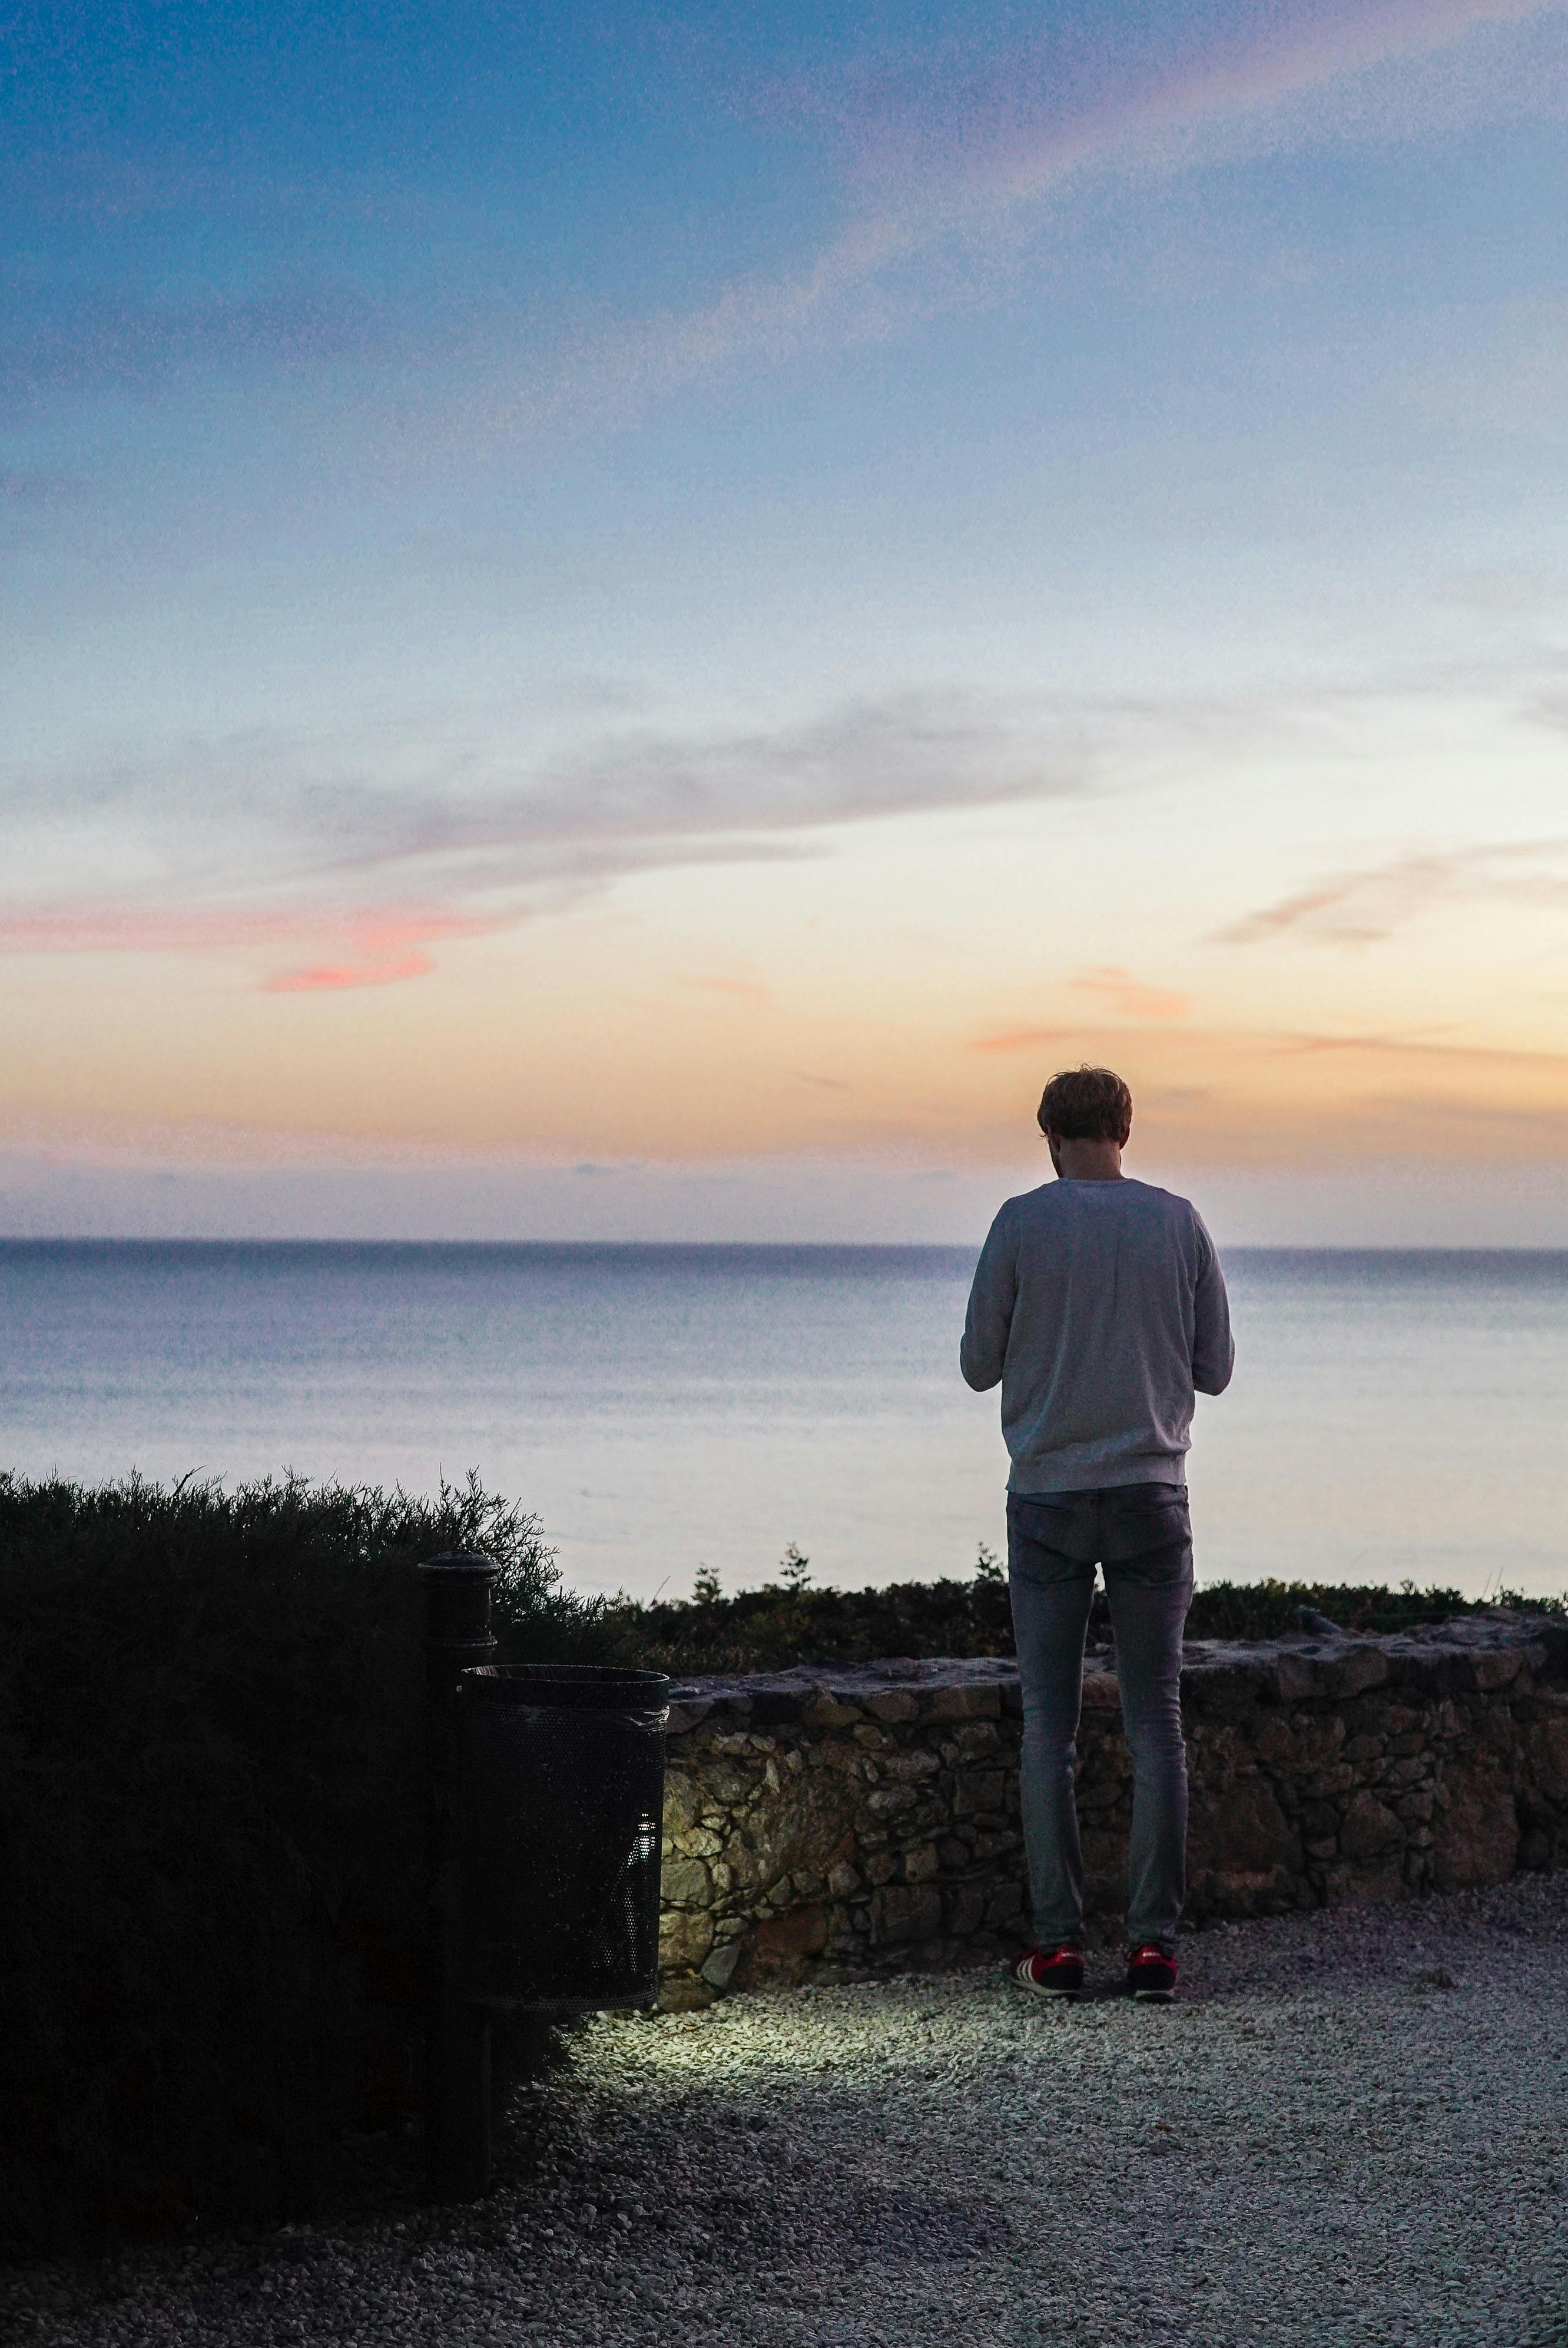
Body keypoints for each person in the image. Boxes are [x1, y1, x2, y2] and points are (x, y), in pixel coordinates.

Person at [960, 1064, 1234, 2002]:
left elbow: (975, 1367)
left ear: (1049, 1134)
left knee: (1051, 1729)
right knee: (1158, 1723)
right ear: (1127, 1129)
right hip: (1153, 1492)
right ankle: (1154, 1949)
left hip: (1047, 1496)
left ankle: (1060, 1949)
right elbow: (1217, 1370)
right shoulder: (1179, 1220)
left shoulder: (1019, 1222)